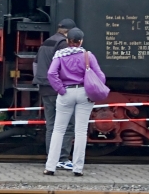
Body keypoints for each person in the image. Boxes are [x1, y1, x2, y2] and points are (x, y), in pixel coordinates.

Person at [43, 28, 107, 176]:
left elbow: (51, 73)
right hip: (84, 93)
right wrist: (93, 91)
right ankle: (78, 168)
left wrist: (61, 89)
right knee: (80, 131)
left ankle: (50, 167)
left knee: (58, 130)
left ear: (67, 41)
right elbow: (100, 76)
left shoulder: (60, 55)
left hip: (66, 93)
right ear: (81, 41)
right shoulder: (87, 56)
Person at [36, 18, 77, 170]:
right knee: (67, 125)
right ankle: (63, 158)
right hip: (58, 89)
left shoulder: (46, 42)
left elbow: (36, 64)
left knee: (51, 125)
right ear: (70, 32)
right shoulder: (64, 44)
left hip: (45, 87)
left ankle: (51, 157)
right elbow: (66, 68)